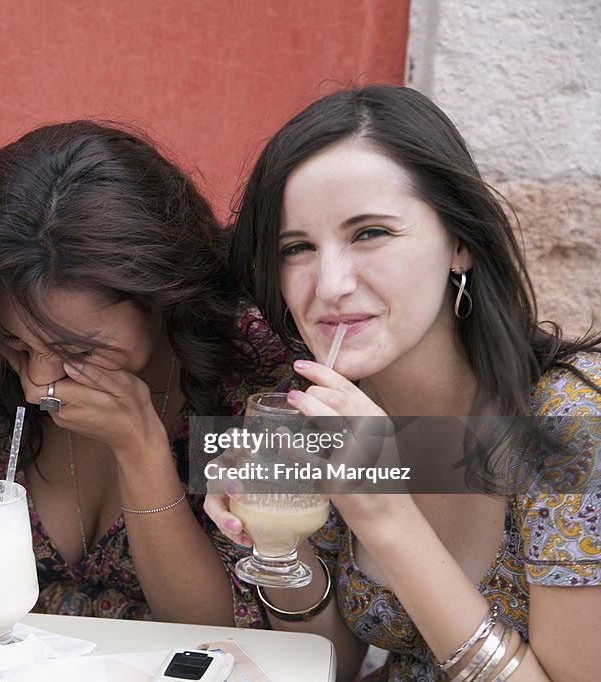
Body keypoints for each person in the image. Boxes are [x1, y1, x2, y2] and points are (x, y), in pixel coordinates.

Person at [206, 85, 601, 680]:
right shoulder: (327, 411)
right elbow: (332, 665)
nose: (331, 283)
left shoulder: (567, 418)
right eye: (297, 247)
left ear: (460, 243)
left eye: (370, 233)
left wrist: (384, 514)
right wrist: (280, 542)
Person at [0, 120, 290, 625]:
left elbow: (229, 631)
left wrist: (140, 450)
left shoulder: (255, 367)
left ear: (162, 299)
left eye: (79, 350)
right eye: (16, 342)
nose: (37, 383)